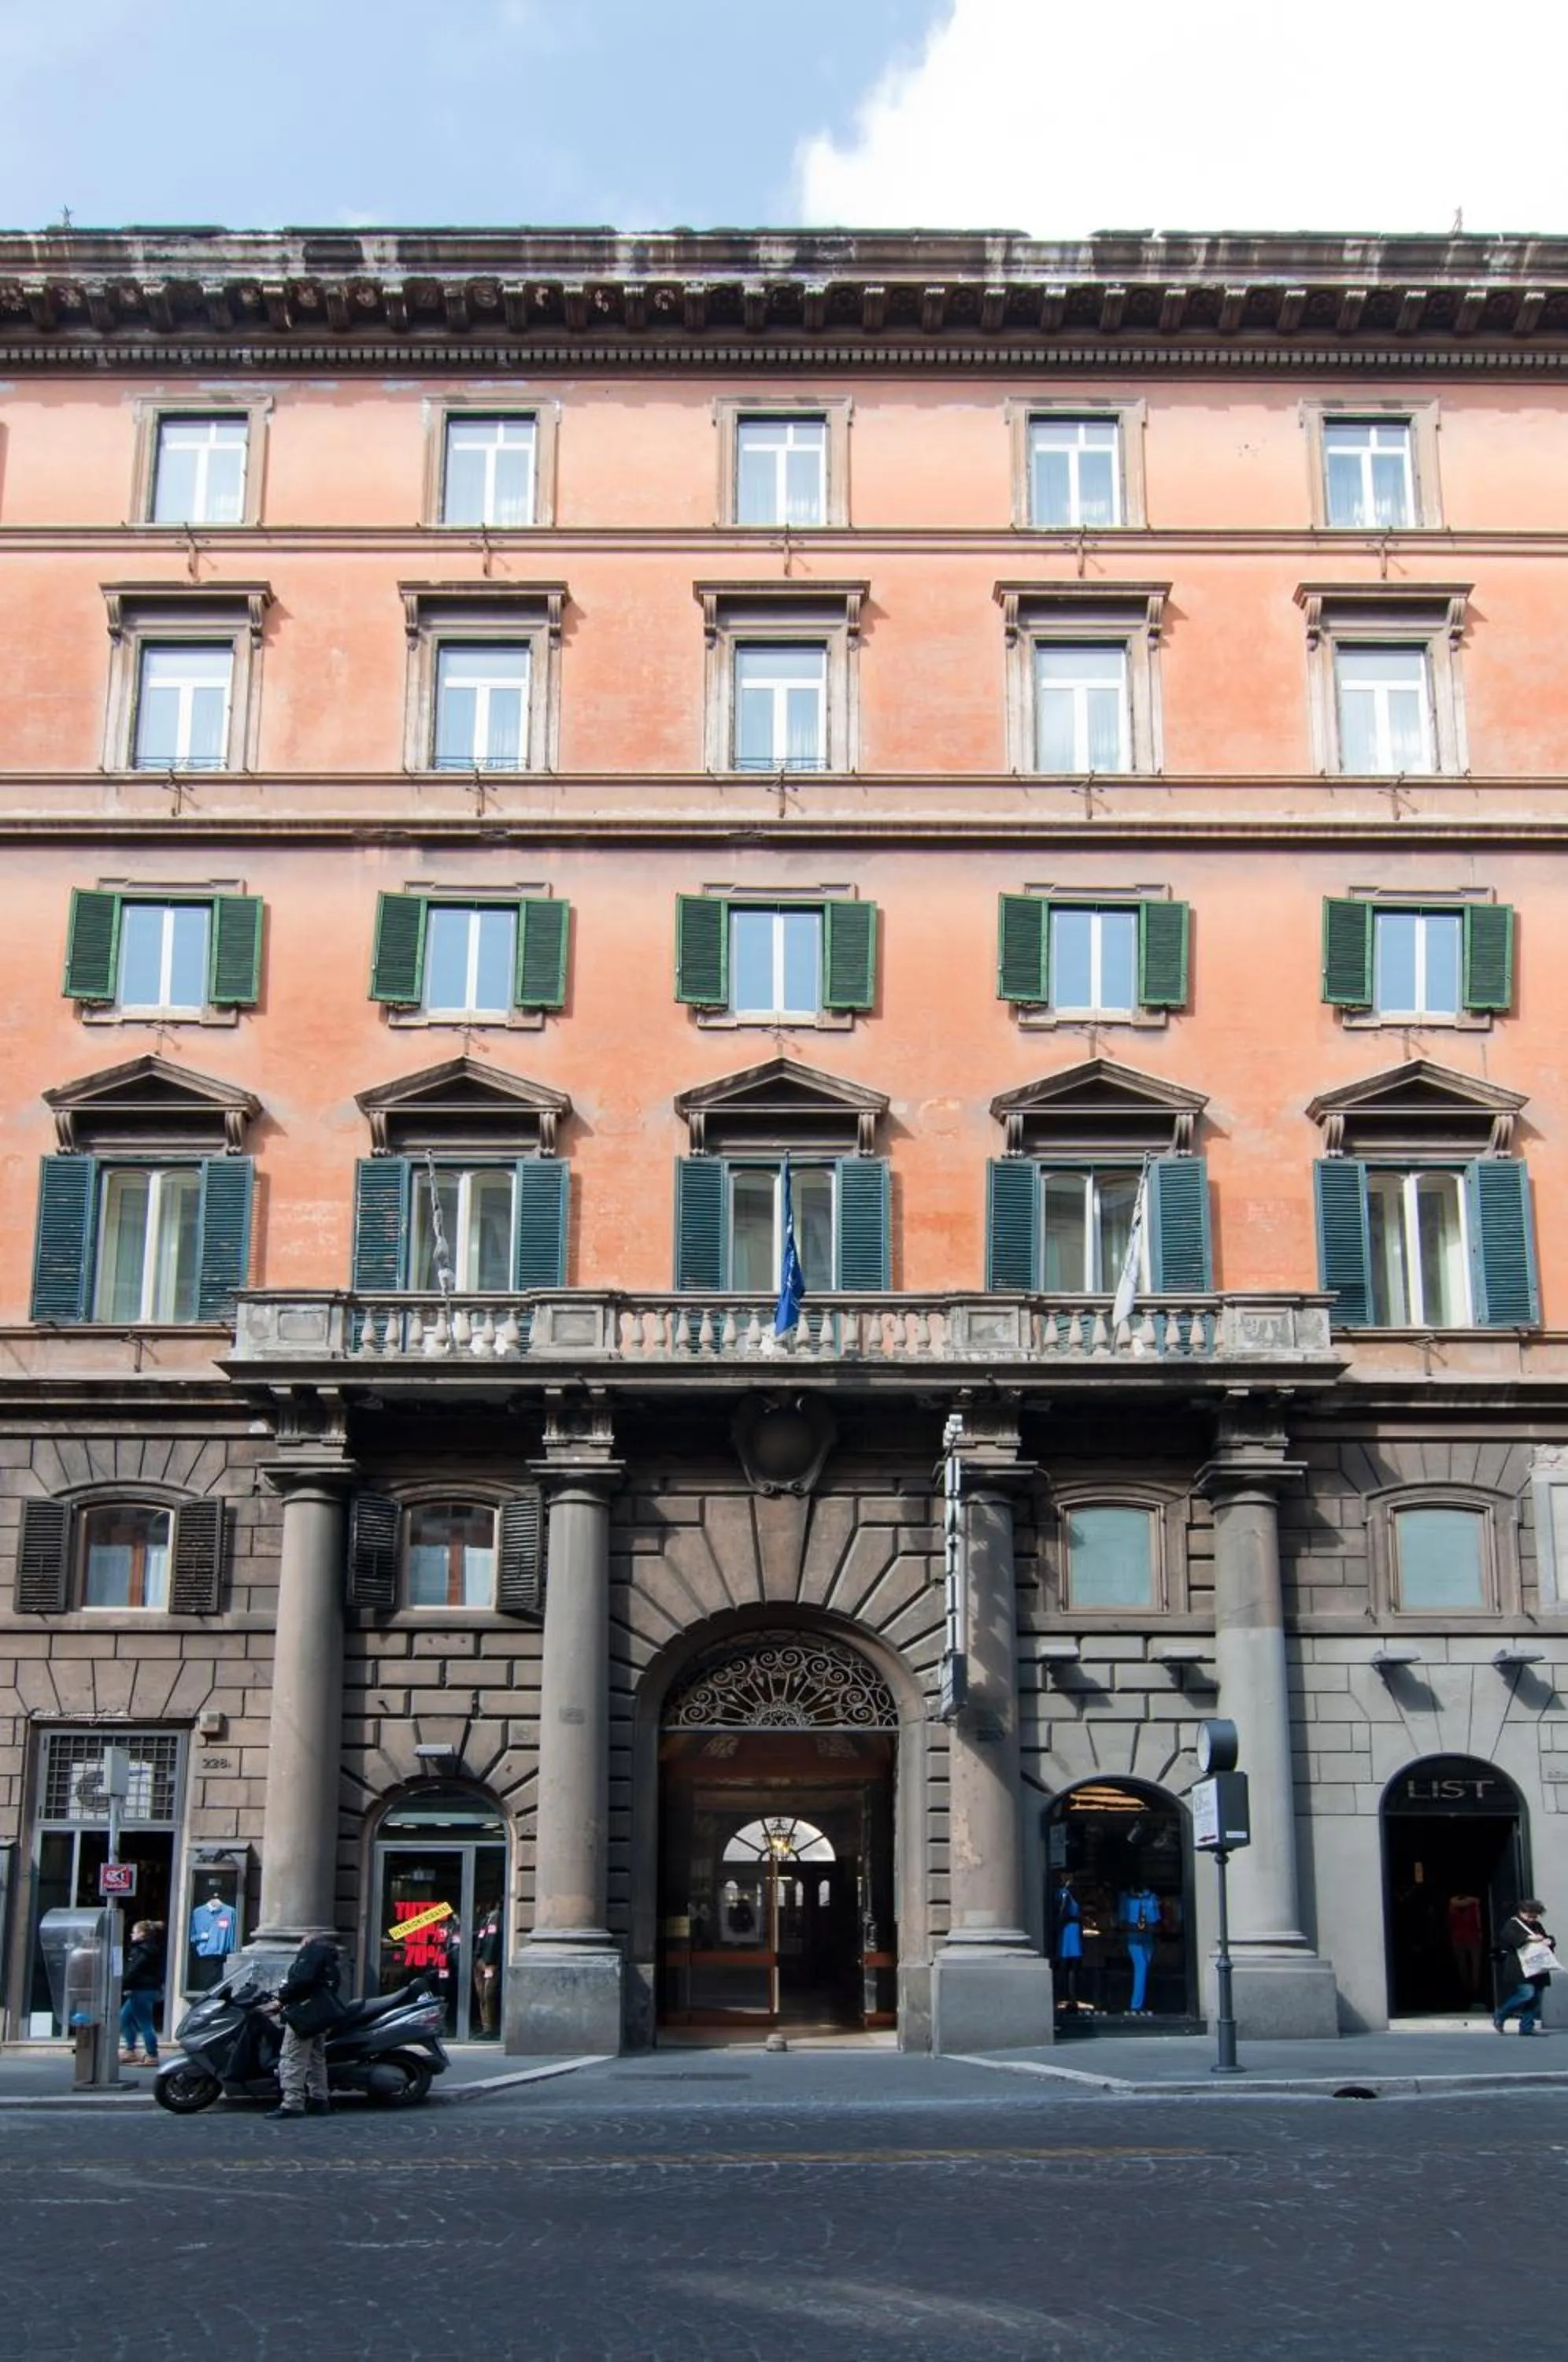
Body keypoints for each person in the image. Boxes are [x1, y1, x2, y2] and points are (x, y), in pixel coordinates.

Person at [265, 1933, 344, 2119]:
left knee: (293, 2057)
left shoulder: (312, 1952)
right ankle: (319, 2100)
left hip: (303, 2016)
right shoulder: (330, 1959)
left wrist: (281, 1999)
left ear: (308, 1942)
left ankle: (292, 2104)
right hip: (321, 2016)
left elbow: (300, 1980)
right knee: (316, 2058)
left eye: (302, 1943)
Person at [1494, 1898, 1555, 2036]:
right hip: (1520, 1967)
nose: (1532, 1919)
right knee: (1526, 1993)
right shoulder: (1512, 1924)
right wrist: (1529, 1938)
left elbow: (1546, 1939)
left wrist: (1548, 1941)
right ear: (1521, 1912)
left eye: (1535, 1916)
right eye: (1530, 1916)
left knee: (1536, 1997)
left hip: (1537, 1967)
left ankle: (1527, 2026)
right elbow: (1508, 1937)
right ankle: (1502, 2014)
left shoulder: (1537, 1925)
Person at [119, 1919, 165, 2063]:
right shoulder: (147, 1949)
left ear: (142, 1934)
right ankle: (130, 2050)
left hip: (141, 1990)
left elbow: (134, 1970)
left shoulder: (141, 1950)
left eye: (134, 1932)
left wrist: (124, 1985)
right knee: (124, 2019)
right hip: (142, 1989)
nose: (132, 1934)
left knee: (144, 2023)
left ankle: (152, 2054)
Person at [1120, 1884, 1162, 2016]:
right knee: (1142, 1966)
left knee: (1145, 1968)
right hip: (1133, 1937)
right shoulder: (1126, 1897)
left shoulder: (1151, 1896)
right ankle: (1136, 2005)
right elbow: (1123, 1919)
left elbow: (1156, 1919)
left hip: (1147, 1937)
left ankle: (1141, 2003)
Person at [1054, 1875, 1085, 2011]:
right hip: (1069, 1928)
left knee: (1067, 1965)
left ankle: (1069, 1996)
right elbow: (1062, 1910)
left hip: (1069, 1928)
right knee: (1069, 1966)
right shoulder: (1066, 1894)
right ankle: (1069, 1996)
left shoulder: (1066, 1893)